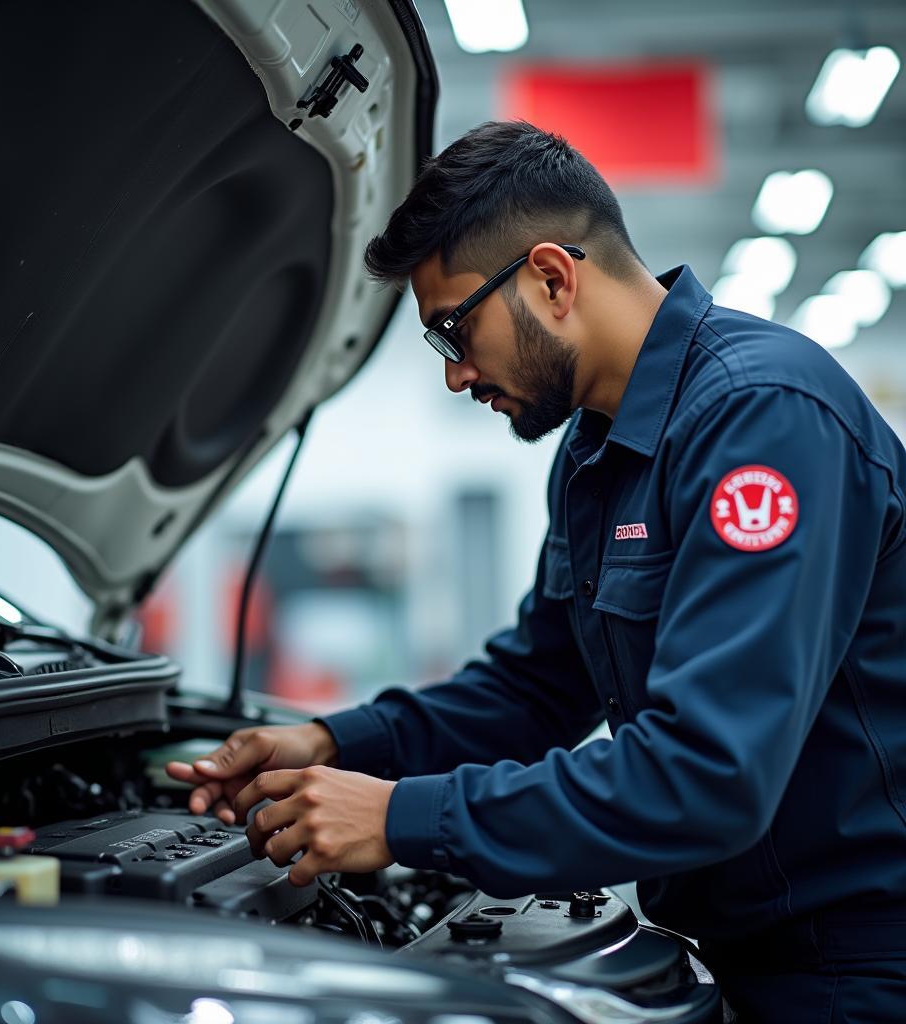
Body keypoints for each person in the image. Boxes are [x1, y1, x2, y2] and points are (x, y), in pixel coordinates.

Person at [167, 121, 906, 1020]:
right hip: (746, 952)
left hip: (858, 965)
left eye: (452, 330)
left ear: (552, 278)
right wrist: (332, 745)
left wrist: (403, 818)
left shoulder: (760, 420)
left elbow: (708, 775)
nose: (453, 373)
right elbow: (534, 689)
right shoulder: (598, 450)